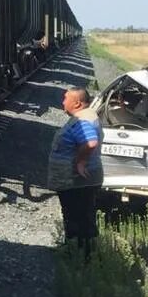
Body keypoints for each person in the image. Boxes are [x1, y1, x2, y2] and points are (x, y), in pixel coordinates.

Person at [48, 87, 103, 257]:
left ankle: (77, 253)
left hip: (77, 180)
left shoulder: (83, 120)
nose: (63, 102)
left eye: (66, 98)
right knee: (83, 215)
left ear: (77, 103)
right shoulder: (86, 116)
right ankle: (85, 252)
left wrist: (81, 162)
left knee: (75, 215)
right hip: (82, 179)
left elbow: (90, 142)